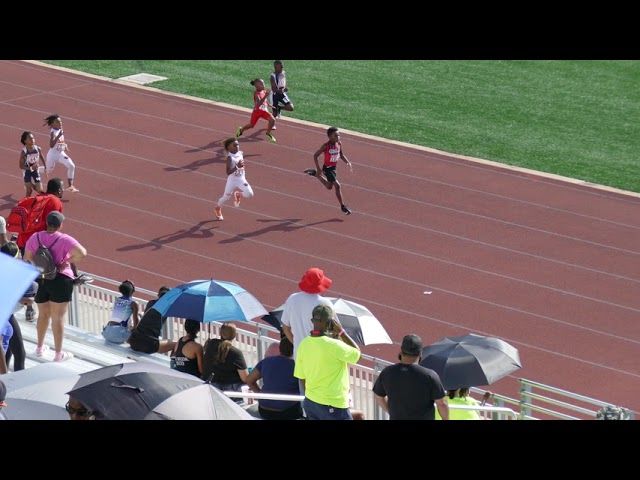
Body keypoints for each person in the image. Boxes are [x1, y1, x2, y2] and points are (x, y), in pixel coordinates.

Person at [23, 211, 88, 362]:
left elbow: (27, 257)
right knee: (58, 318)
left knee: (43, 314)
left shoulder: (35, 237)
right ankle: (58, 354)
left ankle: (39, 347)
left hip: (40, 279)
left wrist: (39, 267)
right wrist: (66, 262)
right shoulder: (64, 239)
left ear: (46, 223)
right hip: (60, 279)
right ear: (60, 225)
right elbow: (82, 253)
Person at [294, 305, 361, 420]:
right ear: (331, 323)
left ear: (312, 321)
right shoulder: (335, 345)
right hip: (334, 405)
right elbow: (357, 354)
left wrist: (311, 397)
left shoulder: (303, 344)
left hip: (311, 402)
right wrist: (341, 332)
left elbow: (301, 377)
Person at [372, 334, 449, 420]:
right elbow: (442, 404)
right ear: (420, 353)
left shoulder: (387, 372)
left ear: (401, 351)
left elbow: (379, 396)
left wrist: (391, 412)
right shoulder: (430, 376)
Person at [280, 267, 333, 360]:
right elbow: (334, 328)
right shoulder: (324, 304)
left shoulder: (292, 299)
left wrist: (296, 343)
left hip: (299, 354)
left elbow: (285, 327)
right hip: (319, 354)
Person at [245, 337, 303, 420]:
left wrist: (260, 396)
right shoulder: (297, 366)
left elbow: (249, 380)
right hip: (287, 412)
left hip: (264, 410)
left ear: (280, 349)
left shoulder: (266, 361)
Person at [305, 126, 354, 215]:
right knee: (337, 186)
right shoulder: (326, 146)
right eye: (336, 136)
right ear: (330, 136)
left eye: (339, 135)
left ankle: (316, 174)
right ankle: (343, 207)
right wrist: (319, 168)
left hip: (334, 168)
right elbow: (315, 155)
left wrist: (348, 162)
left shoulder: (339, 143)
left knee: (329, 186)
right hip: (327, 168)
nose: (338, 137)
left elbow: (341, 155)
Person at [202, 322, 249, 402]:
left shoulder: (210, 344)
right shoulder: (236, 353)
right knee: (248, 385)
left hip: (211, 386)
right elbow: (245, 378)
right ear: (234, 335)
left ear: (220, 332)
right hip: (230, 391)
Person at [213, 138, 254, 221]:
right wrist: (237, 167)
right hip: (232, 180)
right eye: (234, 145)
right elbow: (228, 172)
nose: (237, 146)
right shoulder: (229, 158)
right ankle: (217, 208)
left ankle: (238, 194)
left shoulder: (240, 153)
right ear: (229, 148)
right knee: (225, 198)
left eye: (238, 144)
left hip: (241, 179)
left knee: (249, 194)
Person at [42, 114, 79, 192]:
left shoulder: (60, 129)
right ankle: (33, 170)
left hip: (61, 153)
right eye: (57, 122)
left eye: (60, 121)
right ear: (52, 124)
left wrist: (65, 145)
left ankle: (70, 186)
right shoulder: (53, 132)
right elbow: (51, 145)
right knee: (48, 171)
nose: (60, 123)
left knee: (71, 165)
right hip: (52, 155)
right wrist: (59, 136)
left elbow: (61, 140)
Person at [235, 78, 276, 143]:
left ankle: (268, 133)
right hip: (257, 112)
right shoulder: (256, 94)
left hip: (264, 112)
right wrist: (265, 96)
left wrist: (269, 104)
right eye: (261, 84)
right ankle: (241, 130)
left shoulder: (264, 91)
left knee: (272, 120)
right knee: (251, 125)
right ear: (257, 85)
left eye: (263, 83)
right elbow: (258, 104)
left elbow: (265, 100)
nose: (264, 85)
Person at [102, 280, 141, 344]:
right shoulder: (133, 303)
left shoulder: (117, 300)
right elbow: (136, 323)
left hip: (107, 331)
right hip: (119, 334)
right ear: (133, 291)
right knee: (139, 318)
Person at [18, 131, 45, 197]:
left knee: (40, 190)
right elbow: (21, 166)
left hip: (35, 170)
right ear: (25, 141)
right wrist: (30, 168)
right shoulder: (24, 152)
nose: (32, 140)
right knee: (29, 191)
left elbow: (41, 156)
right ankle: (25, 202)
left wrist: (45, 167)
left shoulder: (38, 149)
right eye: (30, 139)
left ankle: (32, 185)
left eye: (33, 138)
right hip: (27, 171)